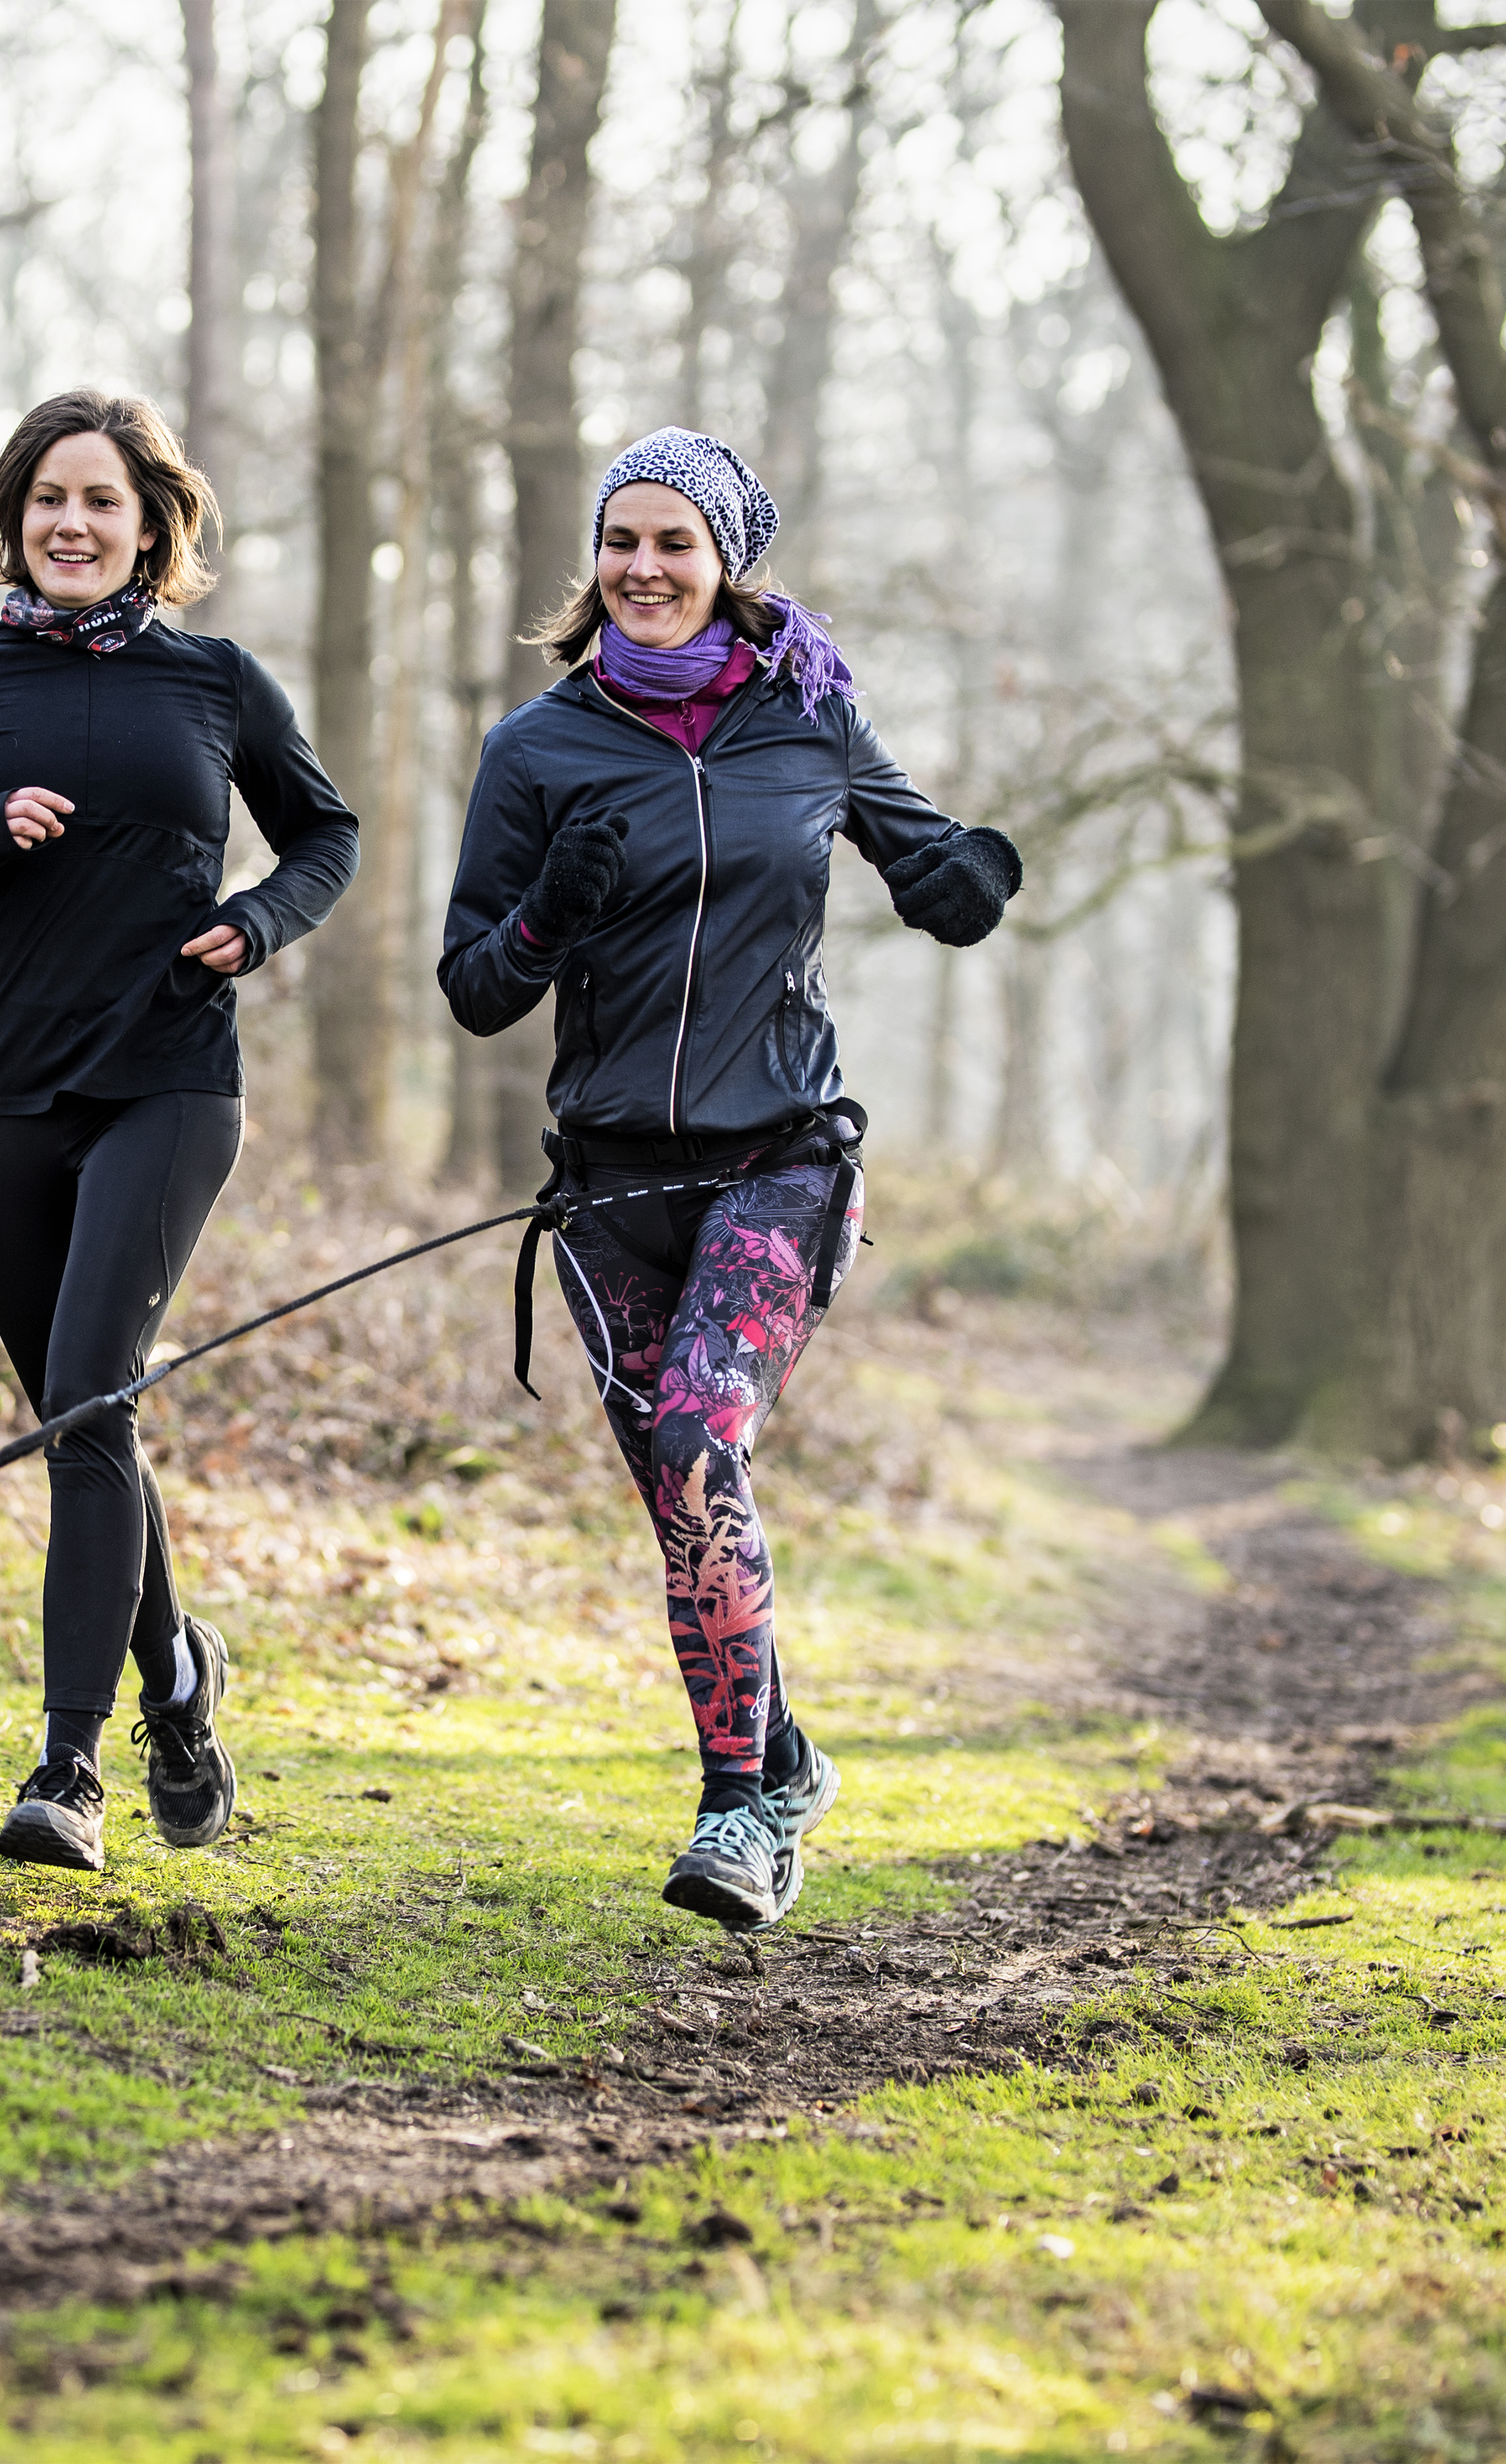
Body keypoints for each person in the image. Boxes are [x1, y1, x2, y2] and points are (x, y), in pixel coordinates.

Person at [439, 426, 1020, 1932]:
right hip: (614, 1183)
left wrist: (965, 878)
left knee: (700, 1436)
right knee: (678, 1494)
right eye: (619, 541)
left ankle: (739, 1812)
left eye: (671, 543)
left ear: (722, 562)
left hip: (778, 1155)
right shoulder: (536, 749)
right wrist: (548, 916)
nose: (641, 568)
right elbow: (476, 989)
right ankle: (780, 1751)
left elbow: (921, 862)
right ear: (594, 560)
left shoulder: (808, 719)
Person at [0, 390, 360, 1872]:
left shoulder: (217, 683)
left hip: (168, 1081)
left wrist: (257, 919)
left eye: (101, 500)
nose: (71, 522)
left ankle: (68, 1769)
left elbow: (326, 835)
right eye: (47, 498)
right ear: (12, 518)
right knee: (86, 1415)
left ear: (150, 526)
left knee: (80, 1400)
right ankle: (177, 1681)